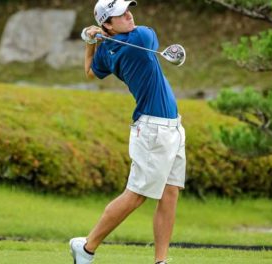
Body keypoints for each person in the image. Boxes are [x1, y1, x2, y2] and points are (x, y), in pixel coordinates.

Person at [70, 0, 186, 263]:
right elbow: (93, 71)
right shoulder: (142, 37)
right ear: (107, 24)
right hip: (153, 130)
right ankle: (87, 248)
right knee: (136, 195)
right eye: (120, 15)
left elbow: (90, 72)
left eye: (128, 10)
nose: (129, 15)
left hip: (173, 126)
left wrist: (91, 42)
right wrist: (95, 39)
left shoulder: (108, 49)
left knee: (170, 192)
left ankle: (161, 260)